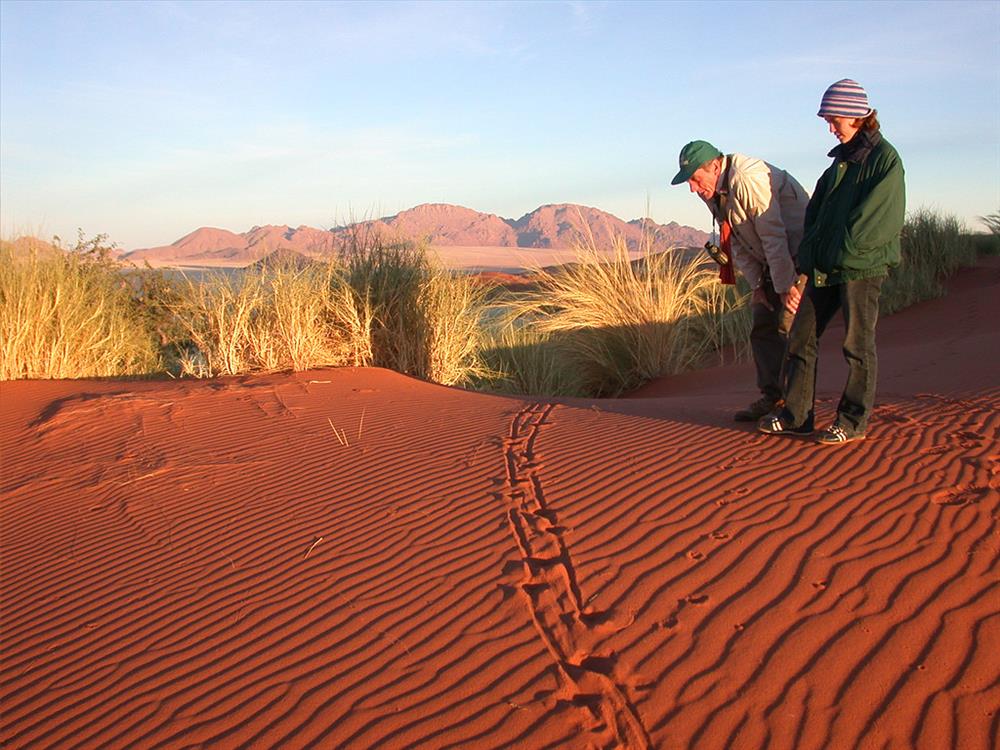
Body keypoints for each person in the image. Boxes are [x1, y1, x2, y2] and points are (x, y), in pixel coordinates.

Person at [758, 78, 905, 445]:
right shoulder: (837, 167)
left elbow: (875, 223)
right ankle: (796, 416)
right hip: (823, 269)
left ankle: (852, 420)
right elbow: (815, 220)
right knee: (801, 336)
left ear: (856, 115)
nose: (829, 126)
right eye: (828, 119)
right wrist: (806, 268)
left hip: (861, 270)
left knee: (857, 345)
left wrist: (836, 256)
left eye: (833, 118)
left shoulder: (885, 161)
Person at [671, 140, 809, 421]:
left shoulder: (748, 179)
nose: (693, 188)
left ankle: (795, 409)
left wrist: (785, 286)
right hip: (773, 262)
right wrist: (758, 286)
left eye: (695, 179)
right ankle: (772, 397)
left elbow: (773, 235)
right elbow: (734, 240)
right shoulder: (712, 192)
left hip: (799, 257)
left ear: (714, 166)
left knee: (788, 327)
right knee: (762, 323)